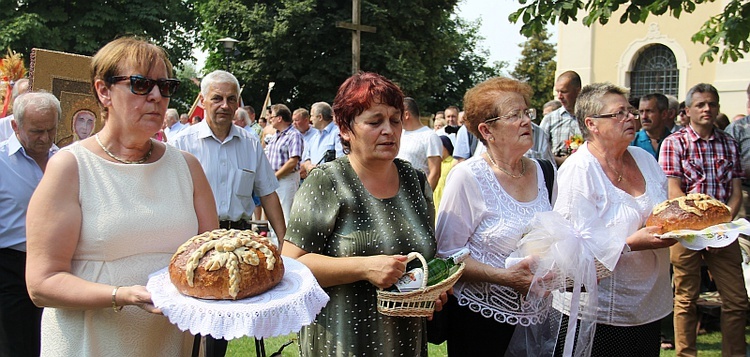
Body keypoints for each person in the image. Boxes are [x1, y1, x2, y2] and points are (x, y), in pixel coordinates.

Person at [24, 37, 217, 356]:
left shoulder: (187, 167)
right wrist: (122, 295)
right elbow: (42, 283)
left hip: (168, 342)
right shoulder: (70, 168)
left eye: (165, 86)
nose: (156, 96)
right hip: (91, 342)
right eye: (141, 84)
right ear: (103, 91)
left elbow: (213, 259)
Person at [282, 72, 445, 356]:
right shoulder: (328, 181)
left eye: (396, 120)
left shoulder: (416, 182)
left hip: (406, 343)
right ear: (345, 128)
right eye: (375, 121)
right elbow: (291, 263)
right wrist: (364, 267)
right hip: (340, 343)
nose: (389, 131)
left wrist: (432, 289)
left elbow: (425, 255)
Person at [435, 77, 557, 355]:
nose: (527, 121)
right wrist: (505, 277)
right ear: (486, 130)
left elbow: (555, 234)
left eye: (527, 112)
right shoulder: (467, 177)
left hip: (536, 319)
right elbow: (447, 255)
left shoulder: (546, 173)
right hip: (480, 321)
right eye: (515, 115)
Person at [554, 83, 676, 356]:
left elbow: (663, 211)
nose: (631, 117)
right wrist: (632, 242)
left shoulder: (645, 159)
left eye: (630, 111)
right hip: (599, 313)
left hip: (646, 305)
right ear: (592, 124)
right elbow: (572, 253)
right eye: (618, 113)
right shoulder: (579, 171)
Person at [170, 70, 286, 357]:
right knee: (194, 320)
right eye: (217, 98)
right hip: (197, 241)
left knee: (226, 320)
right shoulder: (182, 144)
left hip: (240, 241)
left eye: (231, 99)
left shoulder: (250, 144)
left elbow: (269, 193)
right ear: (203, 101)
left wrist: (285, 240)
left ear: (237, 104)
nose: (224, 105)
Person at [659, 83, 748, 357]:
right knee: (686, 300)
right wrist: (699, 232)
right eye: (701, 104)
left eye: (712, 104)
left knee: (736, 300)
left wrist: (718, 229)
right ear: (687, 111)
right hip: (686, 234)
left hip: (724, 231)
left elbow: (735, 194)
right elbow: (674, 192)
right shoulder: (674, 143)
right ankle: (686, 353)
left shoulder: (730, 143)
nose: (707, 109)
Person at [0, 91, 59, 357]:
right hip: (10, 268)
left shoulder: (65, 159)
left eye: (51, 129)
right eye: (36, 131)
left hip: (59, 267)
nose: (45, 138)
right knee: (18, 346)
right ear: (15, 125)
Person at [265, 104, 303, 224]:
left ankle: (286, 243)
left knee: (286, 216)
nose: (270, 119)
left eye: (272, 117)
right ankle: (275, 242)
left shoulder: (294, 135)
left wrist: (275, 176)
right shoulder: (275, 136)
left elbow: (293, 161)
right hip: (273, 180)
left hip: (287, 179)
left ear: (279, 118)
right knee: (273, 217)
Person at [396, 97, 442, 189]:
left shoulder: (430, 136)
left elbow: (435, 172)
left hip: (416, 193)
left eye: (397, 114)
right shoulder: (400, 134)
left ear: (406, 115)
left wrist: (424, 197)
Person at [540, 71, 583, 166]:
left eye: (564, 92)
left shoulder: (590, 118)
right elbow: (540, 150)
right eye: (557, 91)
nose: (559, 96)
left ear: (578, 91)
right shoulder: (550, 119)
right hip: (557, 171)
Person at [299, 101, 343, 174]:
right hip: (316, 180)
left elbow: (341, 160)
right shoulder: (313, 136)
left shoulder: (338, 133)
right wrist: (309, 166)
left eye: (312, 116)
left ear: (320, 117)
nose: (310, 119)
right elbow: (307, 158)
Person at [630, 93, 671, 160]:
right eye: (641, 112)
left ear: (664, 114)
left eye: (649, 111)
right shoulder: (631, 141)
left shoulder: (676, 142)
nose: (644, 117)